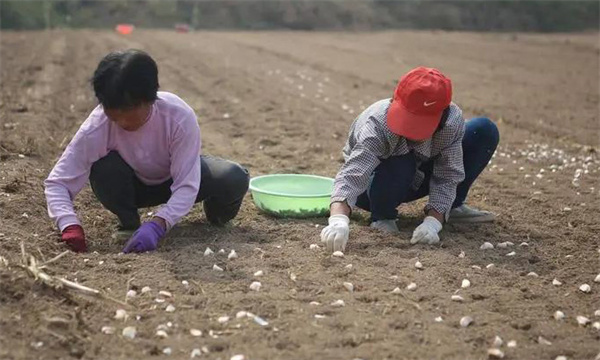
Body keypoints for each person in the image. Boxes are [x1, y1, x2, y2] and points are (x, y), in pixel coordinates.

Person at [45, 49, 249, 254]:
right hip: (133, 186)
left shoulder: (178, 117)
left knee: (233, 176)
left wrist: (159, 224)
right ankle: (129, 222)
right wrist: (69, 225)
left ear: (150, 99)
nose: (122, 122)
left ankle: (216, 216)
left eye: (128, 112)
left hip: (173, 179)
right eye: (114, 115)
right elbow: (58, 182)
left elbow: (187, 185)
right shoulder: (97, 127)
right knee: (104, 166)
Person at [320, 67, 499, 252]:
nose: (411, 129)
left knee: (483, 130)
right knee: (401, 159)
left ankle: (449, 208)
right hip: (374, 185)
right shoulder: (378, 122)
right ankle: (383, 216)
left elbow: (448, 174)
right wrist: (338, 220)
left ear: (442, 113)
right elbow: (353, 174)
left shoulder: (451, 122)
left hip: (416, 176)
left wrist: (433, 222)